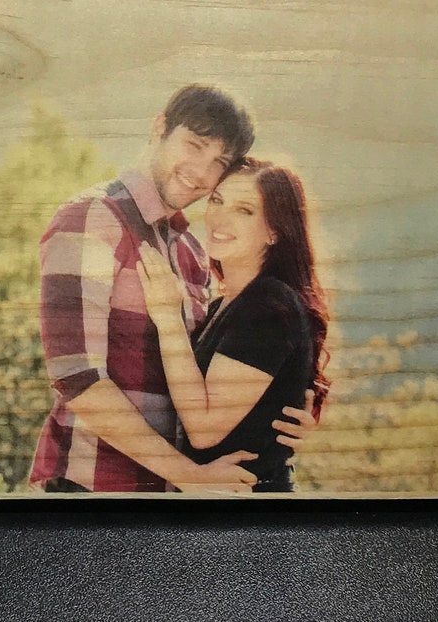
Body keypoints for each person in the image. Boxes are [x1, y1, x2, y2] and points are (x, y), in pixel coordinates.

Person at [29, 85, 314, 493]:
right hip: (95, 488)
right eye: (194, 145)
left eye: (219, 162)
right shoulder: (93, 219)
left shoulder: (191, 251)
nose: (200, 171)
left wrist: (280, 412)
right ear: (159, 128)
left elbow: (209, 378)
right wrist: (188, 475)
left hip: (169, 498)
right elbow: (78, 379)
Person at [136, 159, 329, 493]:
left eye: (244, 210)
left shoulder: (269, 305)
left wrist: (168, 319)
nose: (219, 218)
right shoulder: (225, 305)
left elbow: (204, 429)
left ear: (274, 230)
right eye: (217, 200)